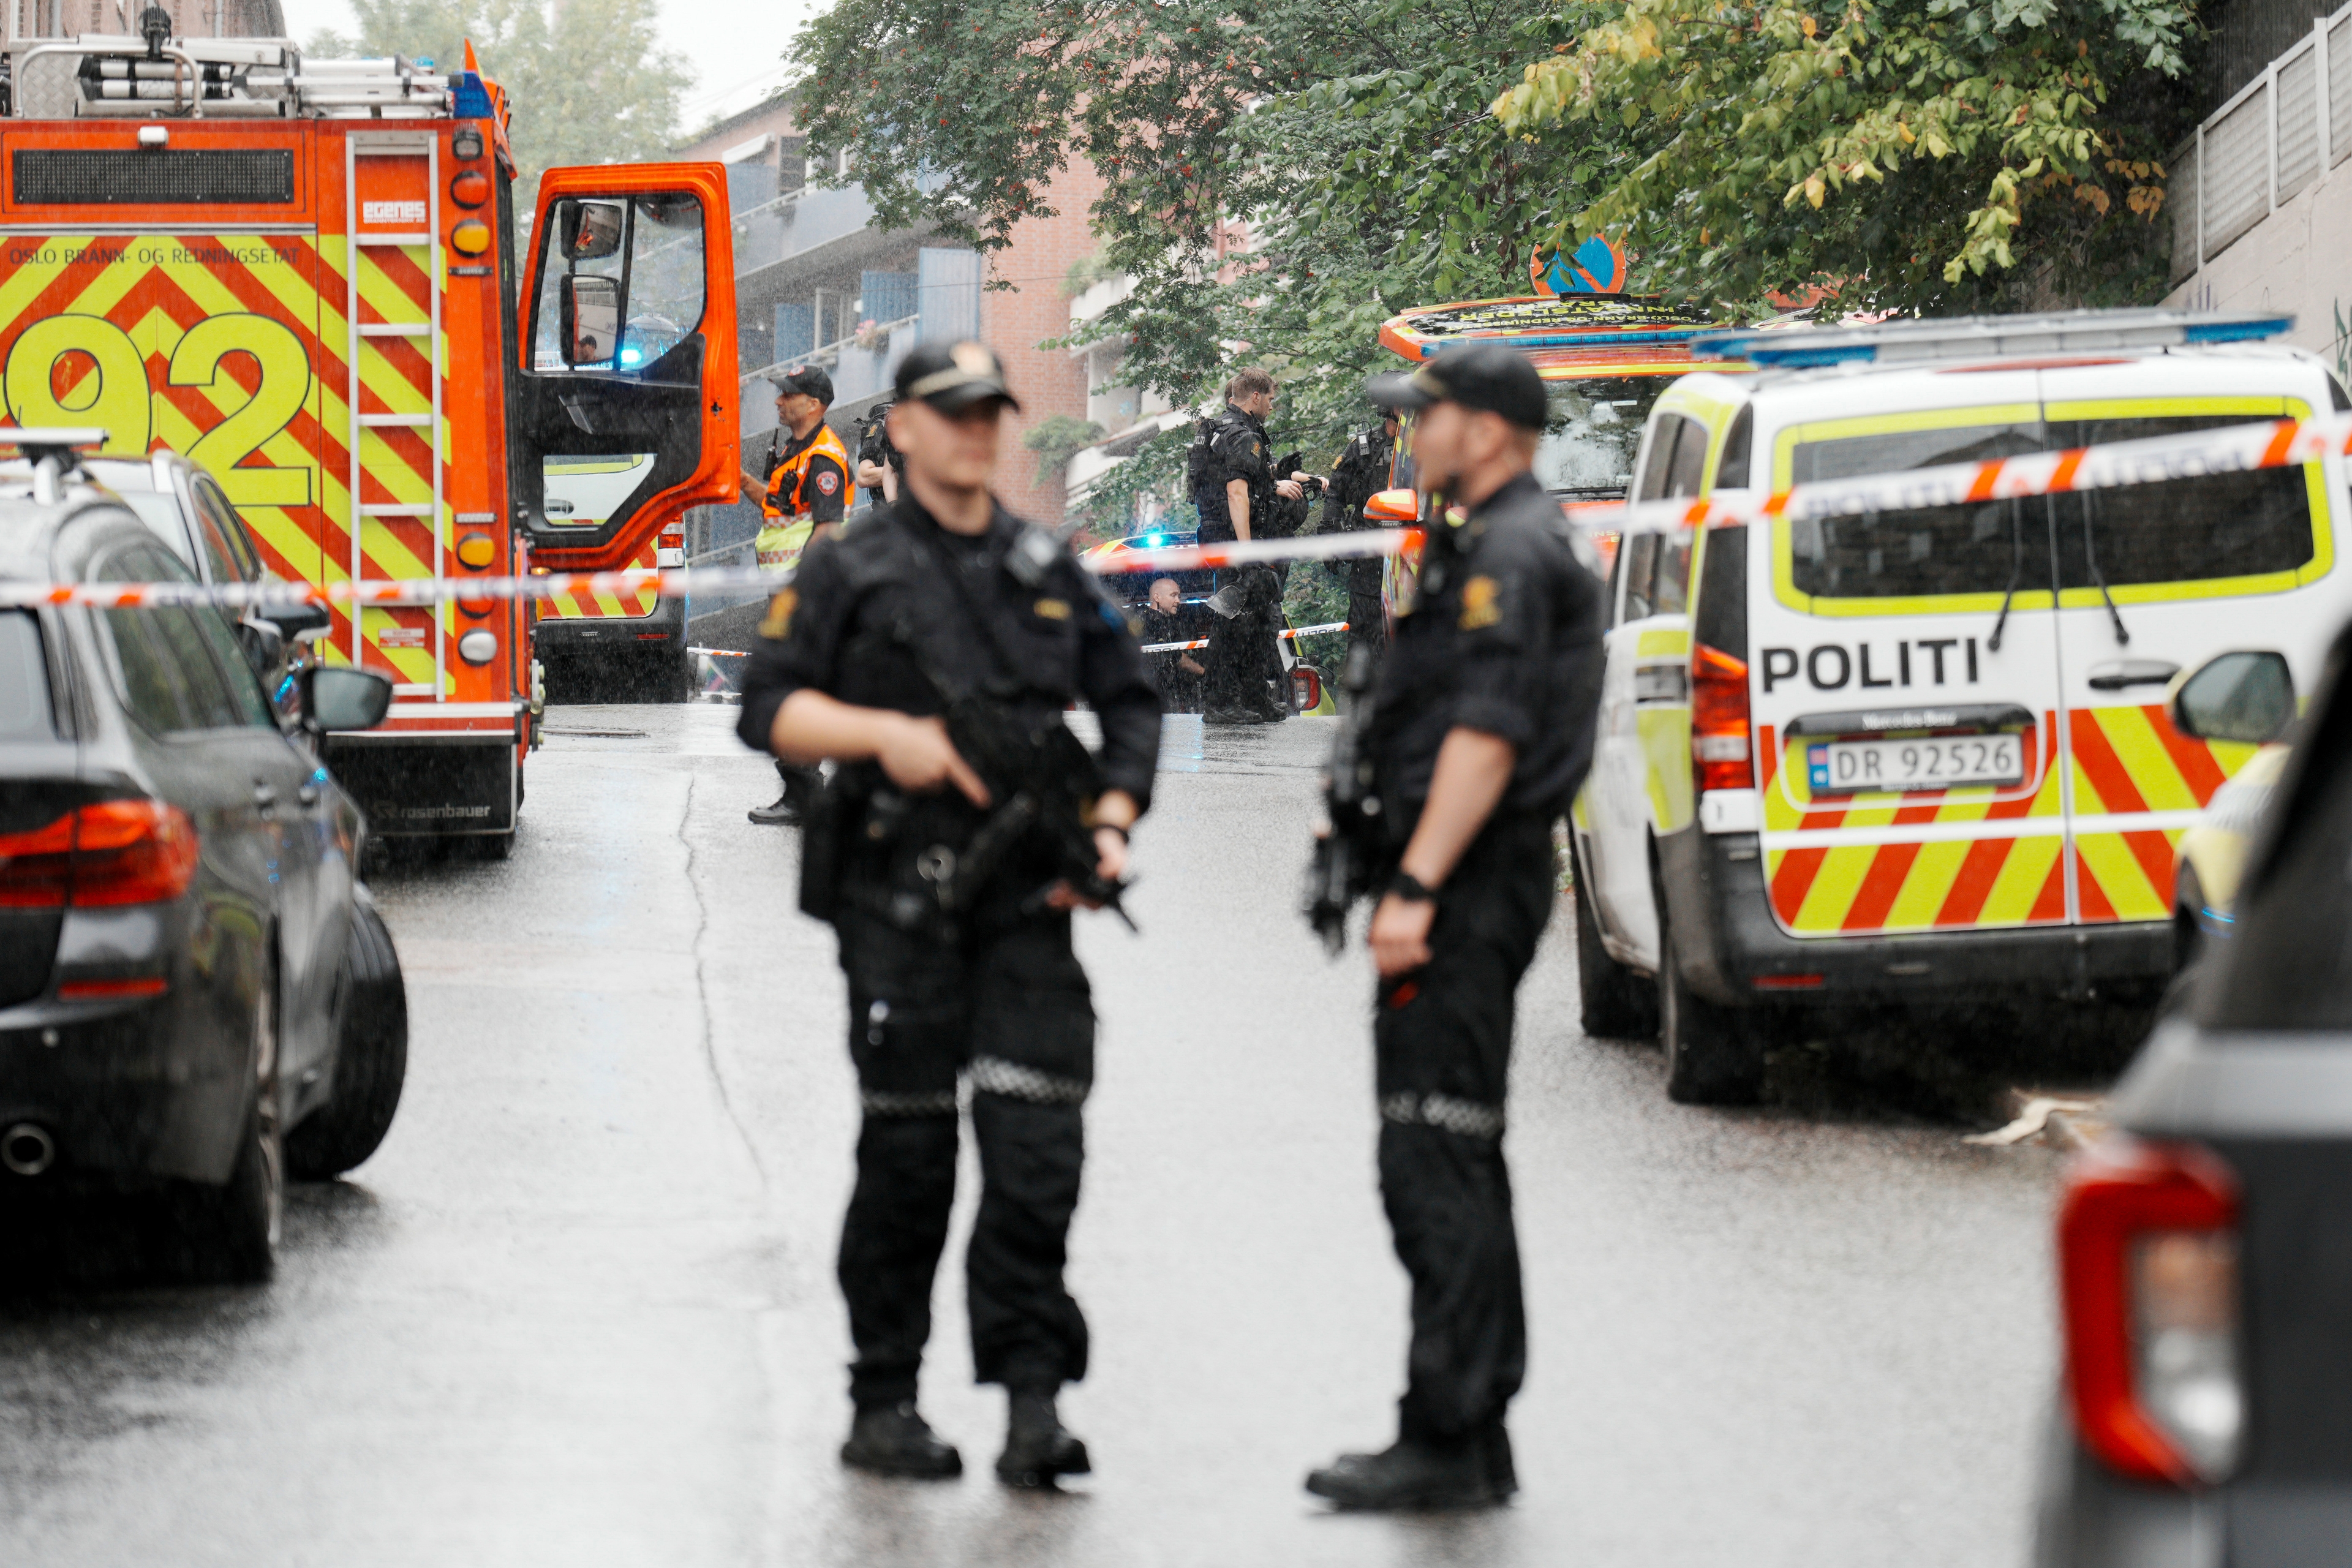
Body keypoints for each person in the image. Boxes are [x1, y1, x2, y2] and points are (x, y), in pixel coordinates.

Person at [734, 339, 1162, 1487]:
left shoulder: (1040, 561)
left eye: (991, 414)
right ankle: (885, 1402)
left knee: (1035, 1153)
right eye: (952, 412)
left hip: (1028, 896)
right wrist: (890, 739)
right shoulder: (848, 567)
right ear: (906, 429)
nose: (977, 432)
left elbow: (1129, 702)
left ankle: (1032, 1407)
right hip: (897, 897)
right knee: (910, 1157)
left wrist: (1111, 822)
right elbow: (765, 711)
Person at [1304, 342, 1605, 1511]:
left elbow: (1485, 737)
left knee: (1434, 1156)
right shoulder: (1494, 542)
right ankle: (1472, 1427)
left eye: (1426, 416)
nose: (1412, 435)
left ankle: (1446, 1432)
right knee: (1455, 1152)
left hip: (1468, 887)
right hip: (1474, 880)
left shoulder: (1510, 557)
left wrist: (1419, 886)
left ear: (1485, 429)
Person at [749, 366, 854, 826]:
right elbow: (778, 509)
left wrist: (801, 591)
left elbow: (827, 532)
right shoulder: (793, 450)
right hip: (786, 588)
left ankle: (804, 795)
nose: (778, 402)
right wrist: (730, 476)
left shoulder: (825, 458)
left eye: (787, 396)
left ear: (813, 404)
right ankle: (802, 793)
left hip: (803, 591)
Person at [1188, 369, 1315, 725]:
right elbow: (1236, 492)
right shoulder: (1241, 433)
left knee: (1260, 618)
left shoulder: (1223, 430)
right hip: (1233, 538)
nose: (1272, 407)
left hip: (1225, 534)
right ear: (1255, 396)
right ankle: (1220, 702)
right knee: (1235, 618)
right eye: (1271, 399)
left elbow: (1250, 481)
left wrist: (1282, 480)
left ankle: (1256, 696)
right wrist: (1247, 552)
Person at [1324, 410, 1401, 691]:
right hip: (1368, 553)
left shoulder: (1422, 443)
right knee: (1363, 630)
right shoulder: (1364, 446)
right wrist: (1331, 540)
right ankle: (1359, 702)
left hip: (1409, 551)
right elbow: (1335, 493)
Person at [1139, 576, 1208, 713]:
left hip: (1159, 694)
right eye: (1173, 595)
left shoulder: (1163, 622)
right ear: (1157, 597)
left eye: (1178, 596)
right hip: (1151, 697)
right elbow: (1173, 656)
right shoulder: (1148, 621)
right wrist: (1204, 672)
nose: (1178, 601)